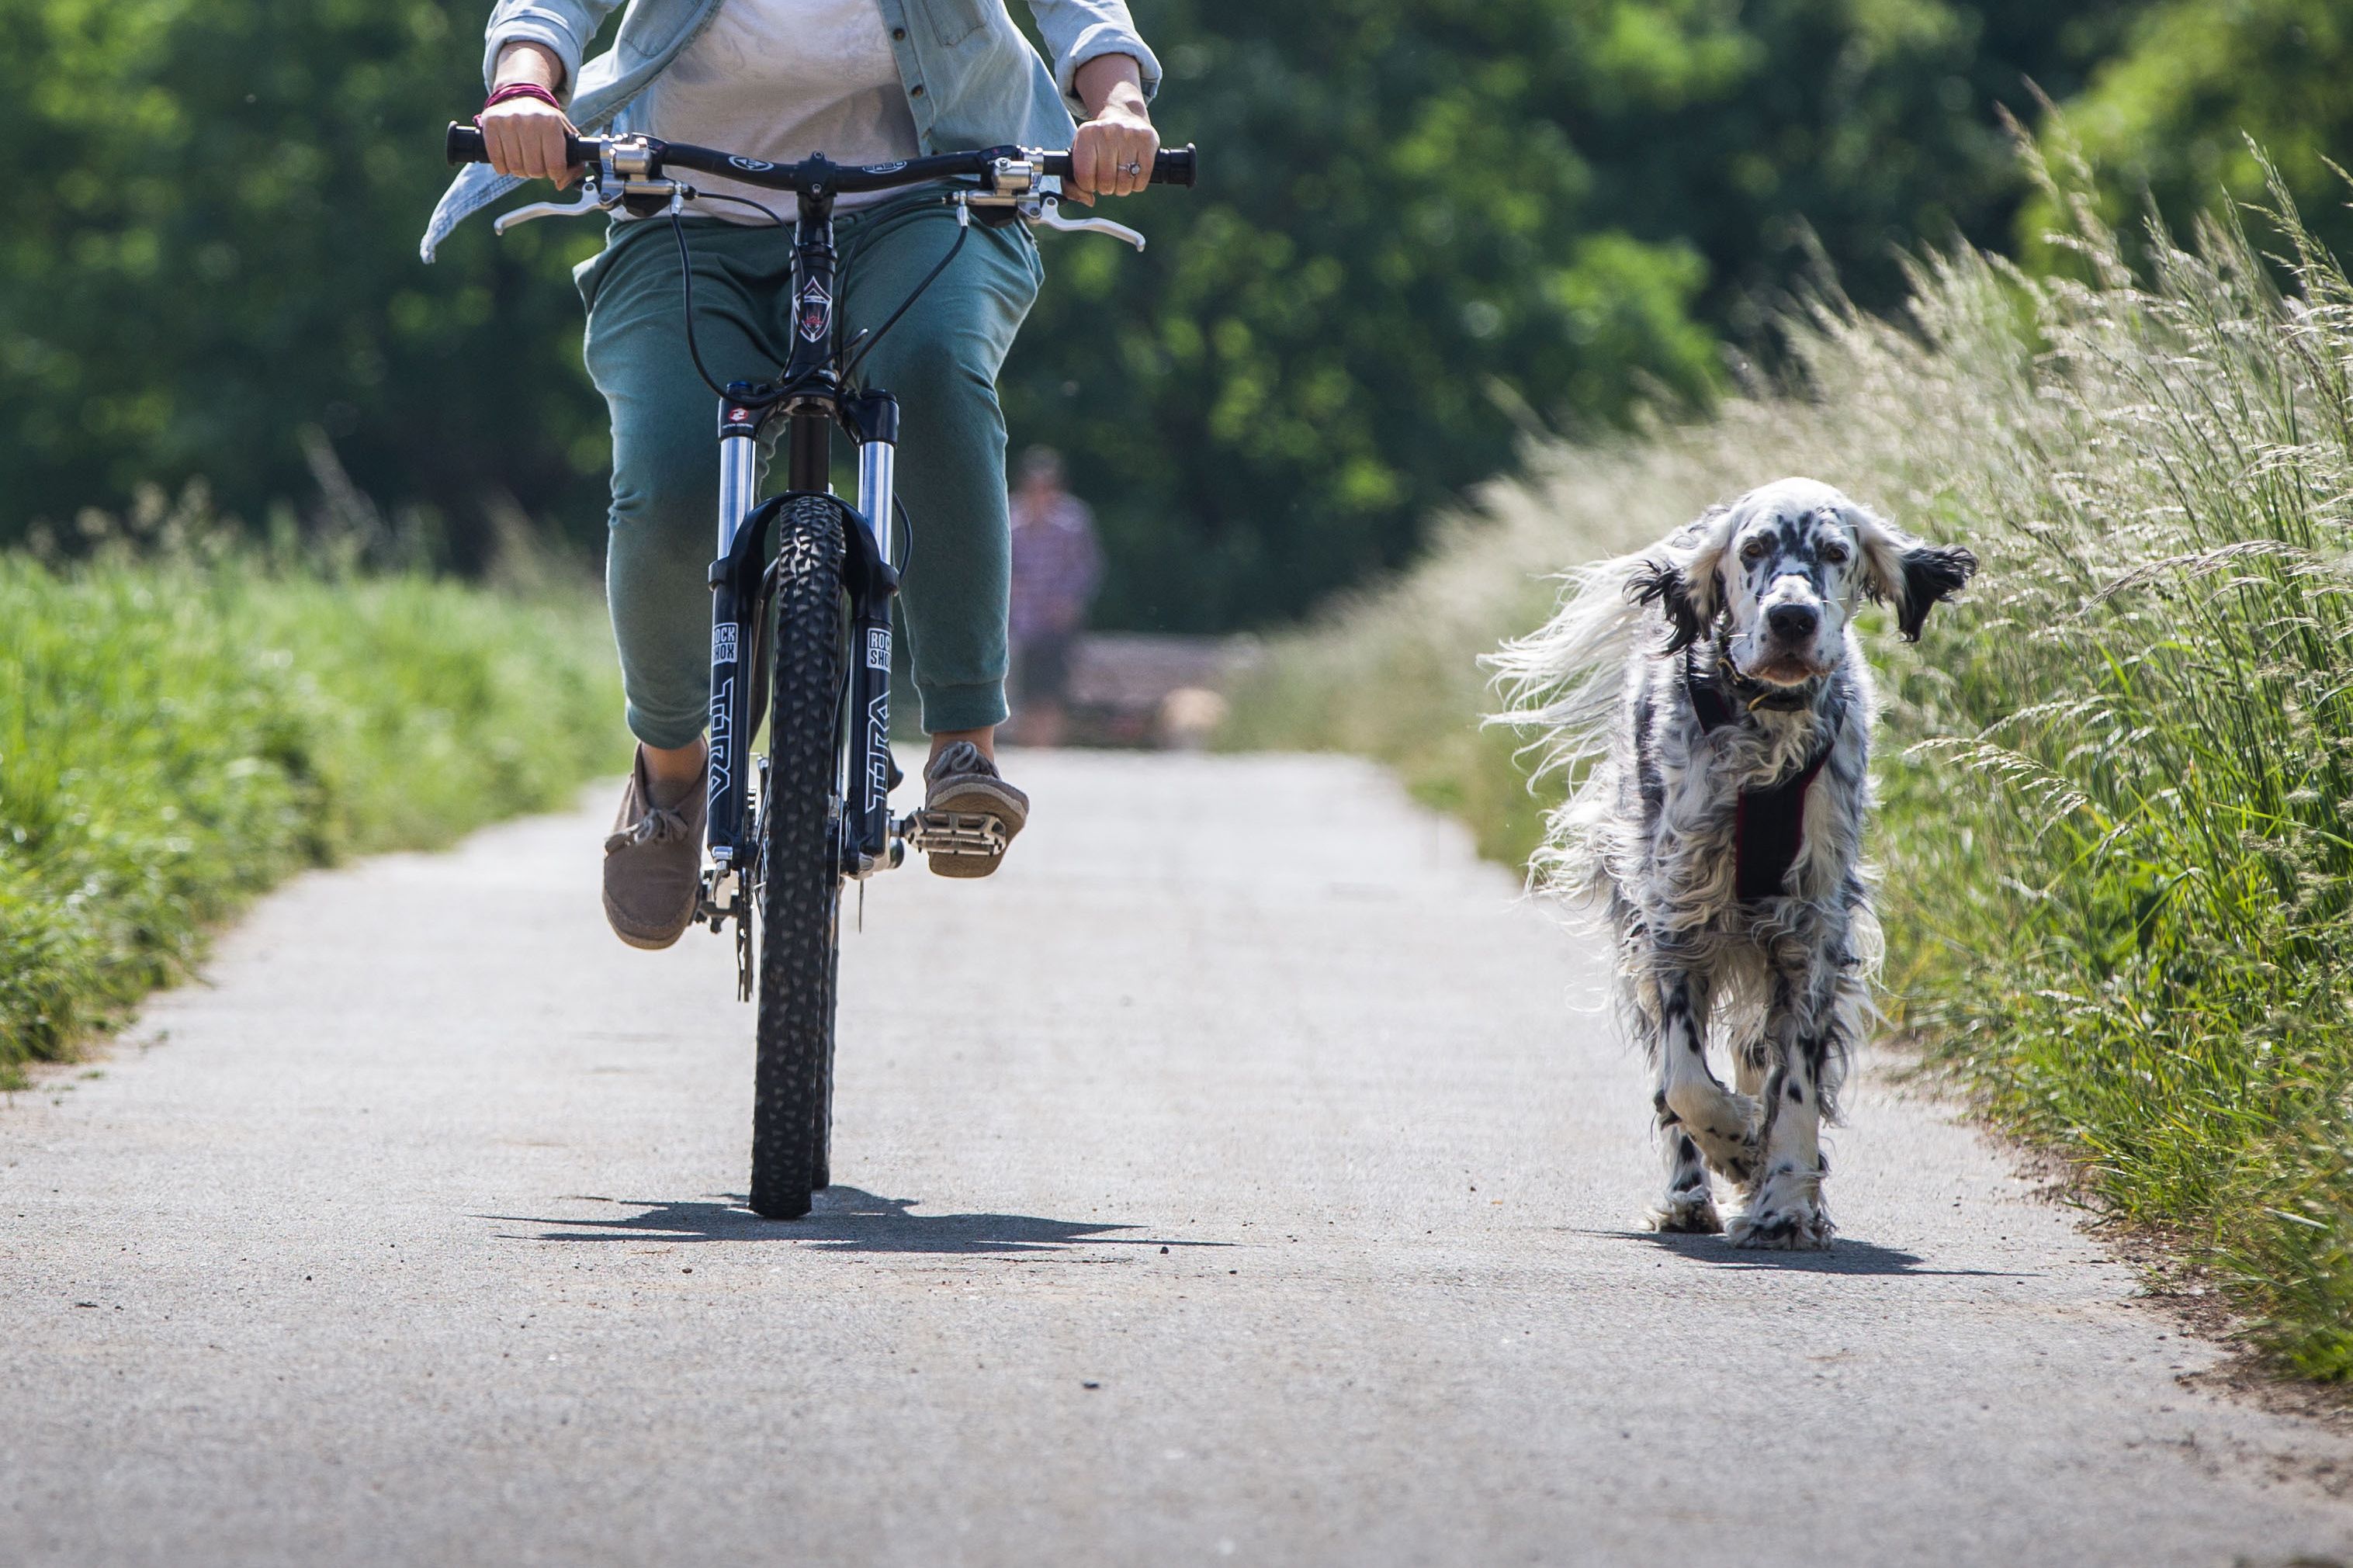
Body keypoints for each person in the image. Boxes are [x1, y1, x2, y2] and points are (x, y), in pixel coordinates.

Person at [421, 0, 1162, 941]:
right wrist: (525, 86)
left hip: (924, 200)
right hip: (685, 204)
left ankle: (963, 747)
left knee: (932, 372)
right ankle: (671, 775)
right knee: (671, 479)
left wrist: (1117, 104)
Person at [1006, 445, 1104, 746]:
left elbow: (1087, 568)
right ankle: (1024, 747)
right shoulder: (1010, 518)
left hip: (1055, 621)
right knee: (1018, 691)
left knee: (1051, 690)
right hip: (1017, 621)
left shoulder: (1073, 522)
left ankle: (1045, 748)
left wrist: (1071, 602)